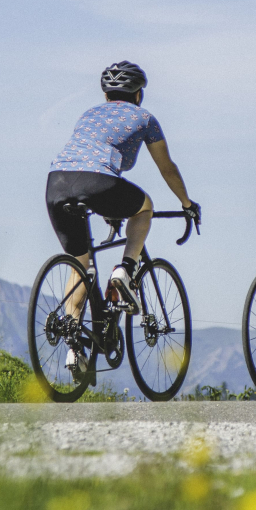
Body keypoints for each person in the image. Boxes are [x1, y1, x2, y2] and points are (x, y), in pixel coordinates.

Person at [46, 60, 199, 376]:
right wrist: (186, 203)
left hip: (56, 183)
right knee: (144, 207)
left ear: (105, 95)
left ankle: (75, 349)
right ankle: (125, 270)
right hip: (99, 182)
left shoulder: (87, 115)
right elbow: (166, 167)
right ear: (139, 94)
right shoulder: (145, 118)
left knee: (81, 265)